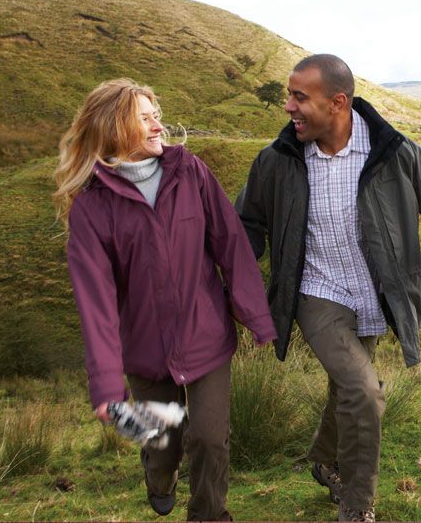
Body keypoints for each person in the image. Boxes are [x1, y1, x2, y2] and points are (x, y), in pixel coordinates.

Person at [236, 54, 421, 522]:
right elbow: (245, 225)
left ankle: (323, 459)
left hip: (374, 295)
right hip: (316, 292)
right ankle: (358, 508)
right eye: (289, 95)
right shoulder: (277, 161)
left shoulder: (394, 153)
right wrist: (221, 276)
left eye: (300, 97)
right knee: (364, 390)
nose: (288, 107)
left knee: (348, 390)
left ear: (338, 102)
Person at [54, 78, 276, 521]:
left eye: (158, 115)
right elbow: (95, 303)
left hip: (206, 334)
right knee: (163, 443)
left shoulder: (190, 171)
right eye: (146, 118)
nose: (159, 126)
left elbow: (229, 244)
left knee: (211, 438)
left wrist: (257, 317)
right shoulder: (92, 209)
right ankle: (158, 474)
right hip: (145, 349)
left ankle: (209, 514)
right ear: (116, 129)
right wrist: (105, 383)